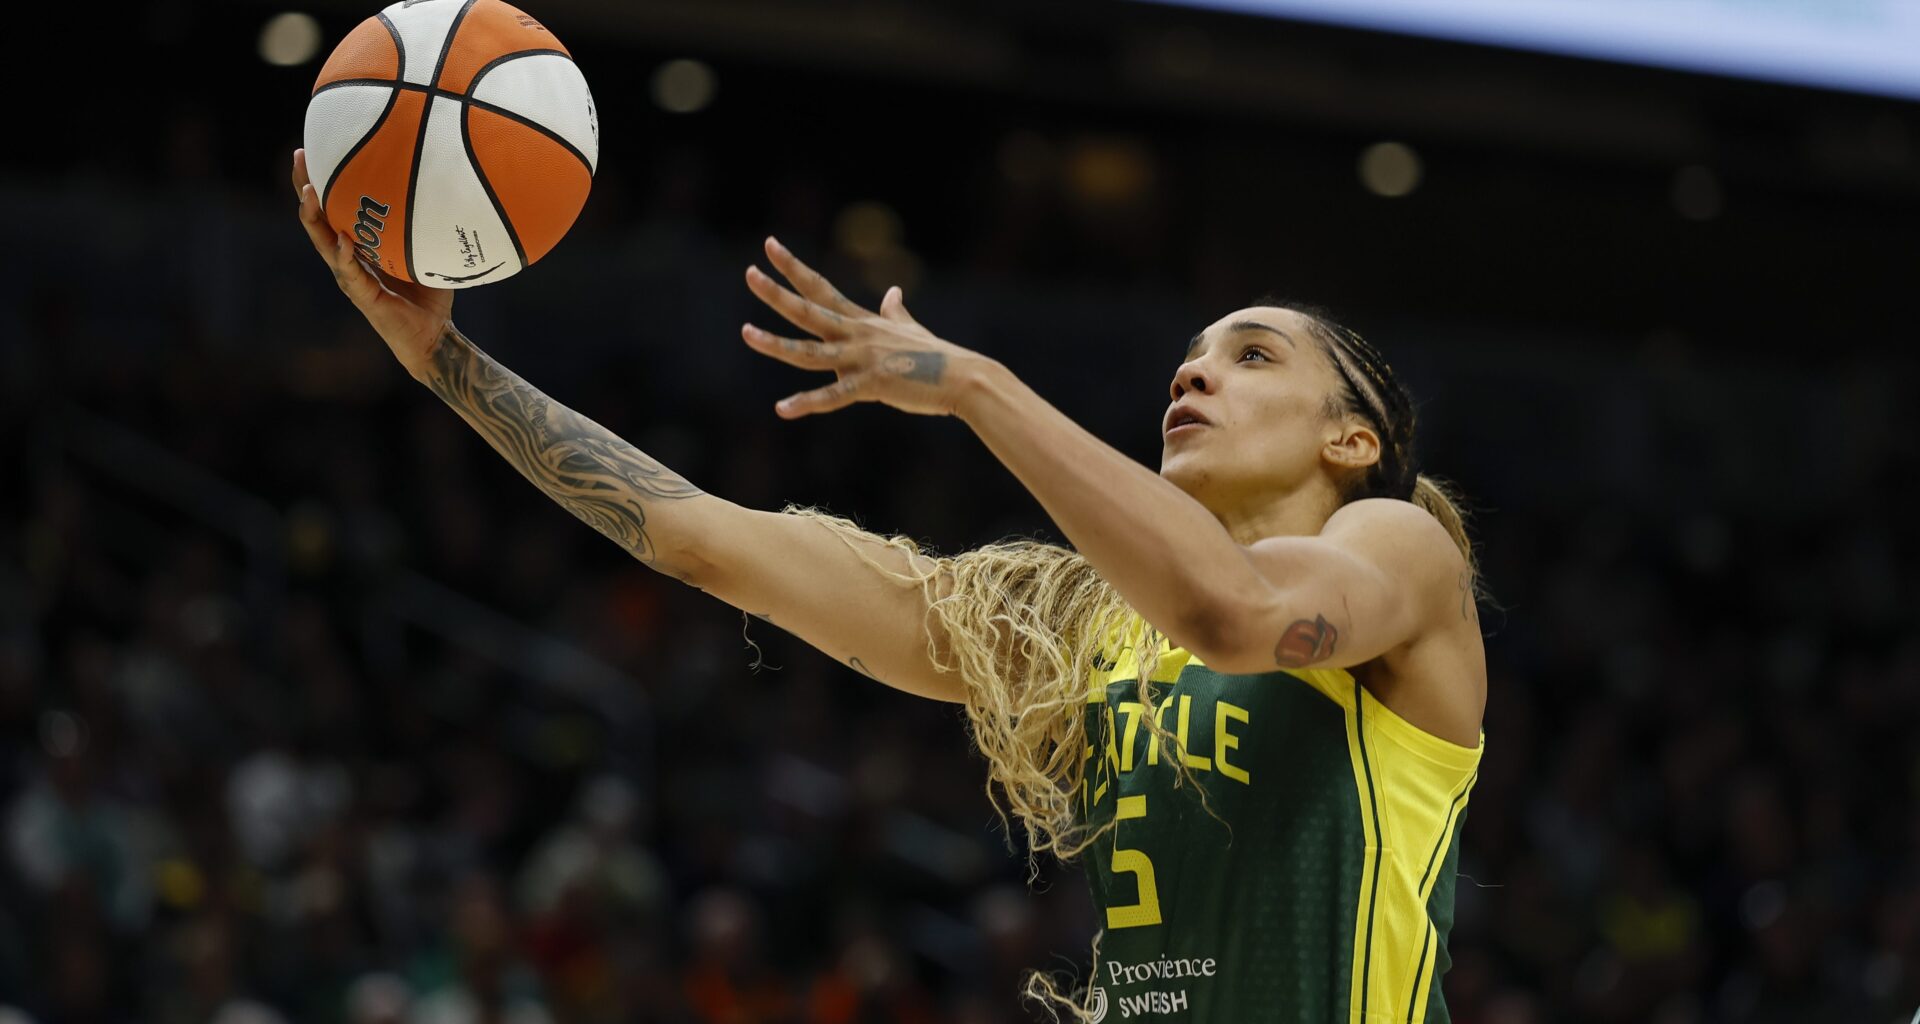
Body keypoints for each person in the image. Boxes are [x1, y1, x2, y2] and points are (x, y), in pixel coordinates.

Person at [292, 147, 1488, 1023]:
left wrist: (976, 386)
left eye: (1253, 354)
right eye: (1189, 357)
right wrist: (442, 361)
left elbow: (1234, 614)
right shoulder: (1083, 627)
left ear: (1354, 440)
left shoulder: (1401, 552)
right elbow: (706, 541)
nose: (1194, 373)